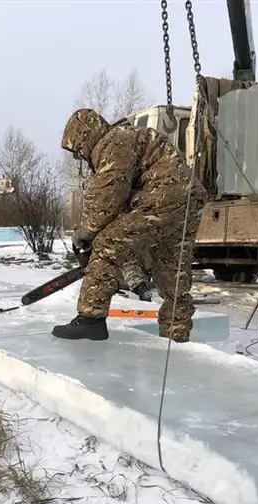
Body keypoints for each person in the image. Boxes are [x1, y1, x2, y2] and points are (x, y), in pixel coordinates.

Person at [51, 108, 206, 342]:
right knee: (173, 274)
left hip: (161, 197)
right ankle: (176, 335)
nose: (80, 155)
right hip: (186, 201)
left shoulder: (113, 141)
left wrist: (88, 230)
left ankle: (91, 319)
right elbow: (122, 199)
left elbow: (110, 192)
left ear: (85, 136)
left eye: (78, 149)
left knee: (107, 244)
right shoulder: (127, 137)